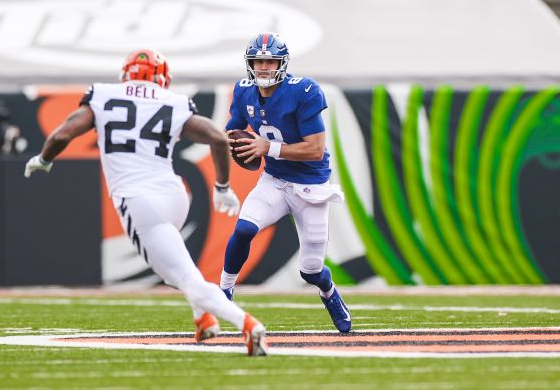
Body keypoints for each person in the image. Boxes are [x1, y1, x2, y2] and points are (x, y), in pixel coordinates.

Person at [24, 49, 268, 356]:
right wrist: (221, 187)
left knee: (186, 277)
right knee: (173, 269)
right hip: (175, 196)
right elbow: (218, 139)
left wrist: (44, 159)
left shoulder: (103, 95)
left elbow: (63, 133)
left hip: (139, 201)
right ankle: (203, 319)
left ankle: (246, 323)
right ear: (162, 77)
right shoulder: (174, 101)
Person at [222, 34, 352, 333]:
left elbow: (315, 149)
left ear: (281, 63)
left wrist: (268, 148)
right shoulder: (243, 91)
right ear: (250, 63)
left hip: (310, 186)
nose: (264, 67)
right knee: (244, 229)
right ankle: (224, 292)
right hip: (275, 180)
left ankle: (329, 291)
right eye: (259, 61)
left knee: (311, 270)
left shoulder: (303, 90)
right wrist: (226, 143)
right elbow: (232, 131)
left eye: (270, 61)